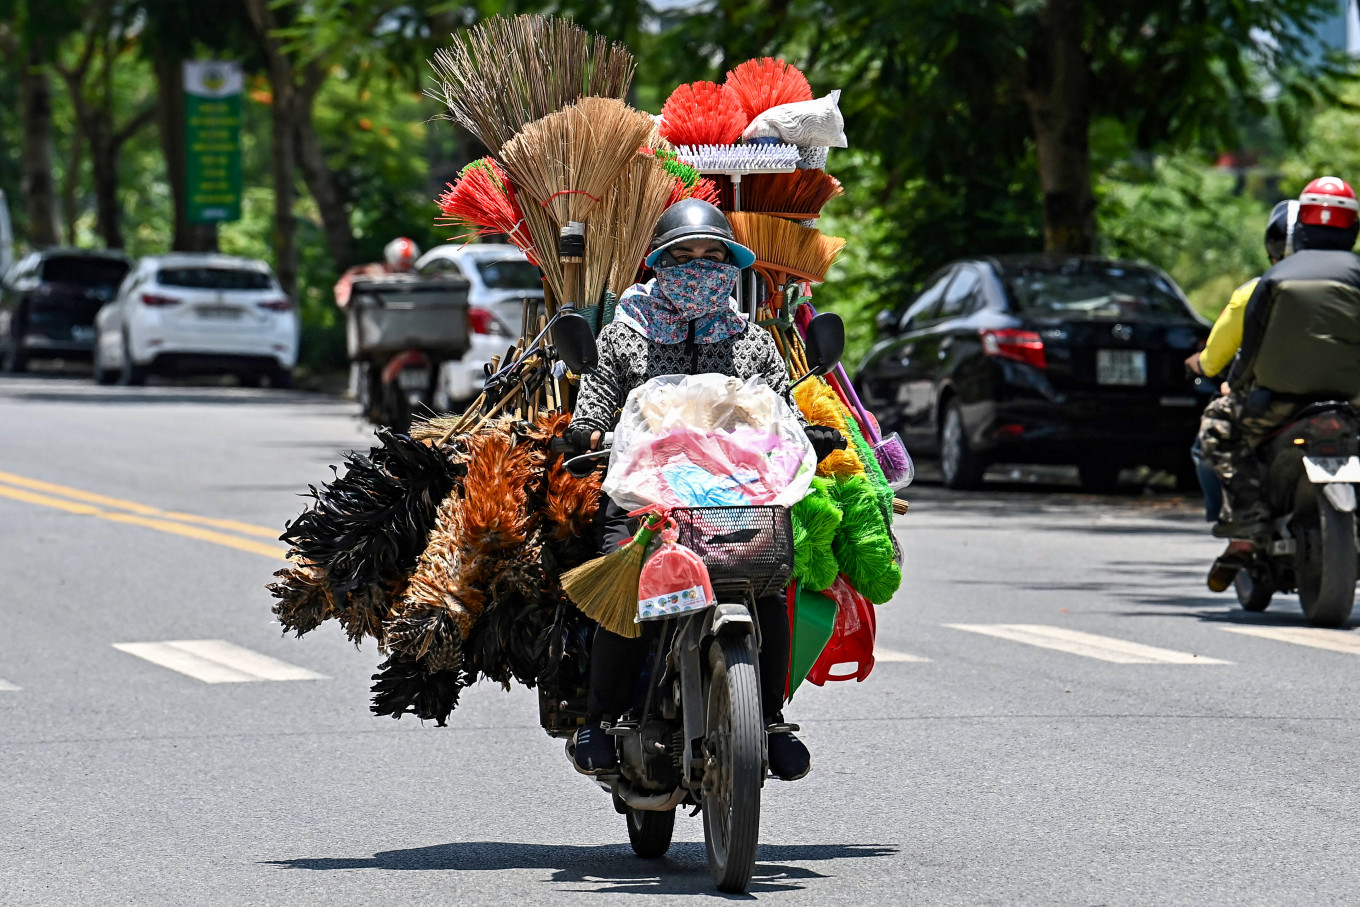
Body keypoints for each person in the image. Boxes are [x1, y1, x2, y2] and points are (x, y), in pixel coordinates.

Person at [566, 199, 845, 781]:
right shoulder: (624, 339)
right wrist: (585, 431)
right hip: (647, 495)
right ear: (659, 266)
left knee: (768, 582)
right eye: (684, 256)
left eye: (711, 255)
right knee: (625, 574)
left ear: (730, 266)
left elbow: (780, 413)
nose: (699, 266)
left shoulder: (751, 343)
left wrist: (809, 434)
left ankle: (768, 718)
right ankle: (598, 719)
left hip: (736, 495)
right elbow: (594, 405)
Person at [1196, 176, 1360, 590]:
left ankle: (1247, 522)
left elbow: (1250, 350)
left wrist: (1237, 386)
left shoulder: (1273, 279)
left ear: (1299, 227)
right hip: (1352, 403)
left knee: (1217, 429)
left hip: (1279, 405)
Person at [1186, 200, 1297, 548]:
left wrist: (1203, 367)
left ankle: (1241, 526)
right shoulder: (1352, 286)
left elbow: (1213, 359)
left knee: (1211, 440)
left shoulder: (1256, 290)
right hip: (1342, 400)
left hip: (1270, 402)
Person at [333, 237, 421, 308]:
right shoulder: (374, 272)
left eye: (408, 262)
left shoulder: (416, 276)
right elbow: (342, 294)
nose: (404, 268)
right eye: (402, 262)